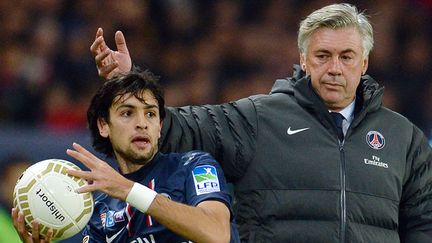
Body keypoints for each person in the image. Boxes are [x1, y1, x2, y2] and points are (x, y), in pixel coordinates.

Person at [91, 3, 432, 242]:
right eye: (322, 56)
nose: (334, 68)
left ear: (365, 62)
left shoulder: (404, 138)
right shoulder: (259, 118)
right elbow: (180, 127)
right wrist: (128, 82)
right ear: (303, 60)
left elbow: (423, 224)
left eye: (347, 57)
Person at [12, 70, 239, 243]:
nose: (142, 123)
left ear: (159, 126)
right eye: (127, 113)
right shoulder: (98, 212)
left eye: (150, 114)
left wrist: (129, 190)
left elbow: (217, 234)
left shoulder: (194, 166)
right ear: (103, 125)